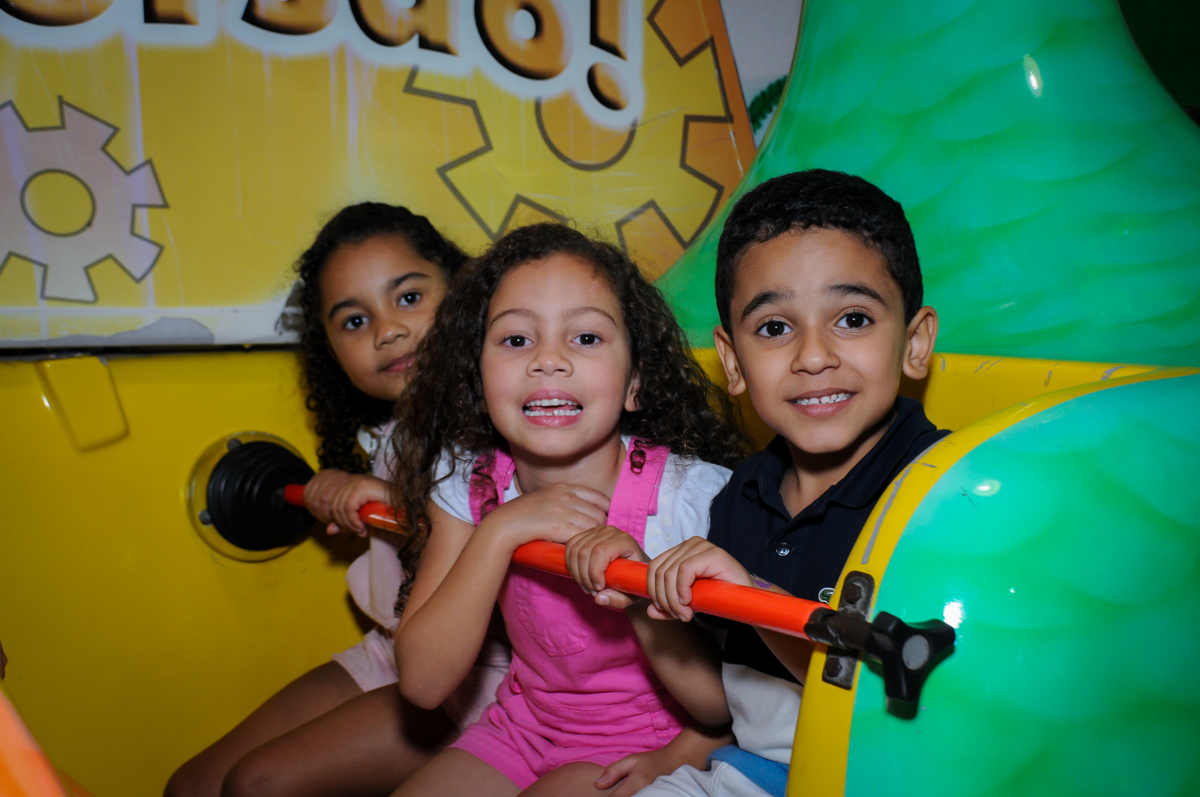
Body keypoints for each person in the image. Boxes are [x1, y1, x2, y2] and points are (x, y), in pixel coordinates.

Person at [387, 223, 750, 797]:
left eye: (585, 338)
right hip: (521, 728)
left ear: (634, 383)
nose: (548, 361)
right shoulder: (474, 483)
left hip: (644, 745)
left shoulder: (692, 499)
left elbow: (727, 702)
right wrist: (501, 530)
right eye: (515, 340)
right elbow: (424, 685)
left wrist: (678, 752)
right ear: (478, 383)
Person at [633, 170, 947, 797]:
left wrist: (756, 594)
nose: (812, 355)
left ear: (914, 344)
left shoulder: (941, 492)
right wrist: (644, 586)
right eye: (775, 327)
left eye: (853, 319)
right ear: (732, 362)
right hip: (754, 770)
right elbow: (722, 701)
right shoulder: (740, 495)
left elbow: (912, 687)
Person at [167, 202, 486, 797]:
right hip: (395, 652)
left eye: (409, 298)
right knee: (193, 787)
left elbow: (508, 532)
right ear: (331, 351)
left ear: (465, 291)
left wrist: (392, 500)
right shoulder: (392, 433)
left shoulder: (506, 414)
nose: (388, 330)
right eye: (354, 321)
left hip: (480, 678)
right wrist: (347, 487)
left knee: (259, 785)